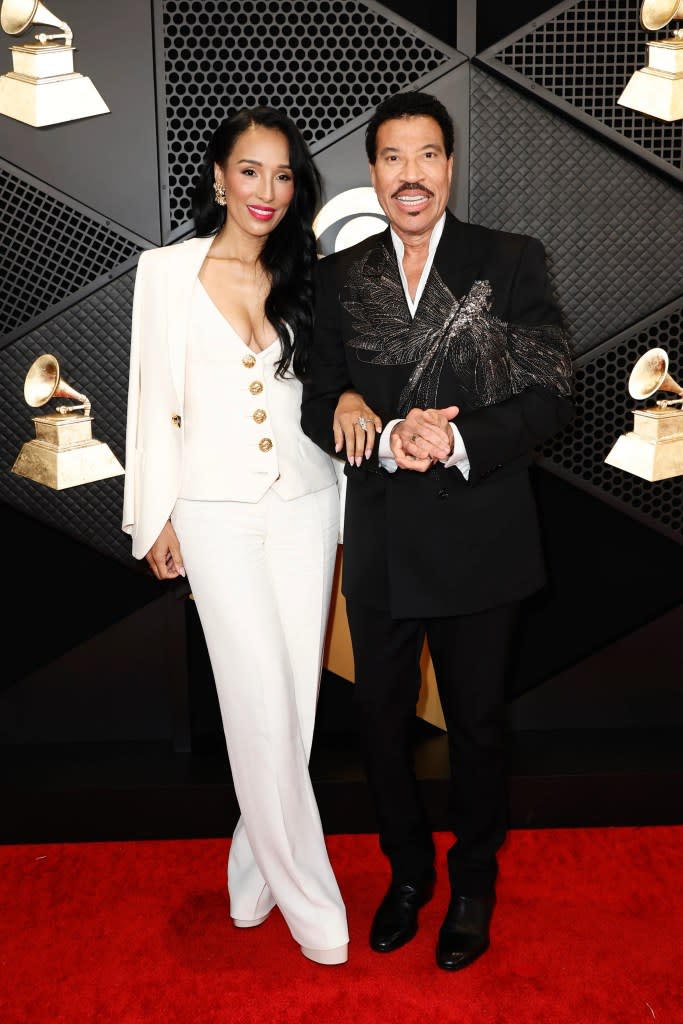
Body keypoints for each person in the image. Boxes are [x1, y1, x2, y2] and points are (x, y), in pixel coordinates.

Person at [301, 90, 574, 972]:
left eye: (425, 156)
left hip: (482, 534)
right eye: (391, 158)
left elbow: (549, 392)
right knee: (379, 725)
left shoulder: (509, 259)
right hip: (383, 537)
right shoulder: (341, 276)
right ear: (373, 173)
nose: (409, 175)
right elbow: (318, 392)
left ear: (448, 167)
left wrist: (455, 436)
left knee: (478, 725)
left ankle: (473, 882)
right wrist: (360, 415)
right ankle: (408, 874)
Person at [122, 106, 349, 966]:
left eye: (284, 174)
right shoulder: (165, 272)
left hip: (305, 503)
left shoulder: (310, 274)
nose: (268, 191)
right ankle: (310, 895)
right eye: (251, 171)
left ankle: (253, 871)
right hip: (212, 511)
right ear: (218, 177)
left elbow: (328, 397)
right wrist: (156, 513)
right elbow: (149, 396)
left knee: (293, 705)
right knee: (256, 700)